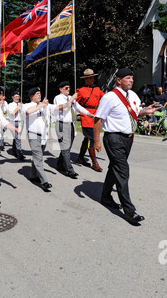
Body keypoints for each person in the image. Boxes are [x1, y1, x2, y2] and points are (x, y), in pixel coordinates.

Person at [93, 68, 157, 225]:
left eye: (132, 78)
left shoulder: (133, 95)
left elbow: (136, 113)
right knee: (123, 171)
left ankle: (105, 196)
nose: (131, 80)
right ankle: (129, 211)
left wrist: (145, 111)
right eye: (128, 78)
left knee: (115, 168)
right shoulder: (110, 97)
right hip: (113, 138)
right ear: (119, 80)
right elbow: (98, 119)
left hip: (128, 139)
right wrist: (96, 141)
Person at [23, 87, 75, 192]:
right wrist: (41, 105)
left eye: (40, 93)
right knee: (38, 157)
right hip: (33, 134)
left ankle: (33, 175)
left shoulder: (46, 106)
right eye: (37, 93)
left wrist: (71, 100)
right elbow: (28, 112)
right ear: (32, 96)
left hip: (43, 136)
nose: (39, 94)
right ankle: (44, 182)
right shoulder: (27, 105)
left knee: (38, 156)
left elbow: (59, 107)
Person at [53, 81, 94, 178]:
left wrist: (89, 114)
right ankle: (70, 170)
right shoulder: (58, 98)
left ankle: (60, 163)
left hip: (71, 124)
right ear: (61, 89)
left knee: (67, 147)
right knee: (66, 148)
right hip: (62, 124)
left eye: (69, 88)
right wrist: (71, 99)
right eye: (66, 88)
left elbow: (79, 107)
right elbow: (65, 108)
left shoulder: (71, 98)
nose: (68, 89)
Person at [76, 69, 105, 171]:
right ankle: (94, 163)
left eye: (93, 77)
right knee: (91, 140)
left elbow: (106, 98)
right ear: (86, 79)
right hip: (86, 117)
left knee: (87, 139)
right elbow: (75, 104)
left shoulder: (97, 89)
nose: (92, 79)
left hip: (96, 117)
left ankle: (80, 158)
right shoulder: (80, 91)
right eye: (90, 78)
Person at [7, 90, 25, 160]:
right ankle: (19, 153)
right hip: (13, 122)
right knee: (18, 137)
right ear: (12, 97)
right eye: (16, 96)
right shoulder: (10, 105)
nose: (17, 98)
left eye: (18, 96)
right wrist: (19, 107)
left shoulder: (21, 104)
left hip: (20, 122)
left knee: (16, 137)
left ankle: (14, 151)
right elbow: (13, 113)